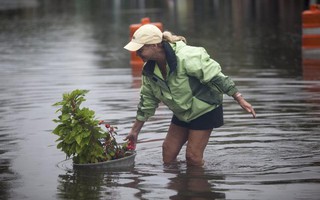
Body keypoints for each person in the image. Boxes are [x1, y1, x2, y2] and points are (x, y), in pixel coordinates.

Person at [123, 24, 256, 166]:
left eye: (140, 49)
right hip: (183, 111)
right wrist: (134, 131)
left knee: (193, 157)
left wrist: (239, 98)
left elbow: (215, 77)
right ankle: (181, 184)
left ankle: (199, 184)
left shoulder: (186, 56)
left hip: (205, 108)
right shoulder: (149, 70)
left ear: (155, 45)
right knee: (168, 153)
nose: (137, 54)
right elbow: (147, 101)